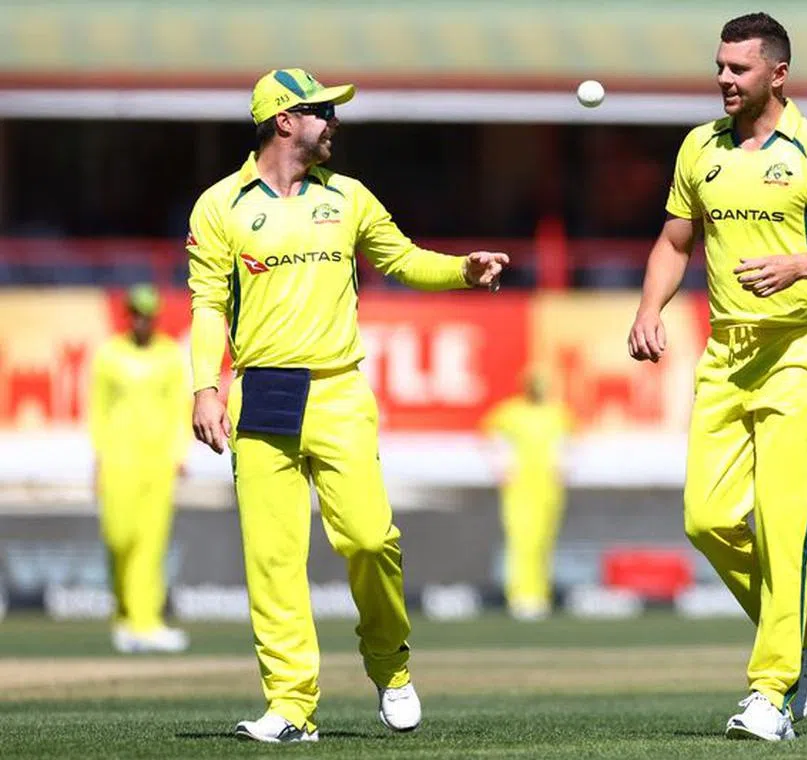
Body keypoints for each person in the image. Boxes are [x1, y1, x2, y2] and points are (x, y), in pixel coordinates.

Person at [186, 68, 508, 744]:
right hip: (264, 390)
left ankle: (390, 667)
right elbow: (208, 304)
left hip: (337, 390)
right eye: (322, 111)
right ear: (283, 121)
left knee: (368, 539)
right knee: (273, 561)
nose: (335, 122)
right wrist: (206, 387)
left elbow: (403, 260)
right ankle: (291, 707)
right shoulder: (220, 205)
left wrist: (461, 271)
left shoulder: (350, 197)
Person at [627, 13, 807, 742]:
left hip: (800, 354)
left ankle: (770, 693)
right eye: (719, 66)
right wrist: (650, 306)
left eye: (738, 69)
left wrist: (802, 264)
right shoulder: (699, 148)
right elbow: (674, 241)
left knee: (783, 525)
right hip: (727, 356)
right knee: (706, 520)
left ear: (777, 74)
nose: (723, 79)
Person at [89, 284, 190, 654]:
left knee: (151, 543)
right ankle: (123, 615)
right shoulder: (109, 355)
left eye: (147, 313)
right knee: (119, 538)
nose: (141, 320)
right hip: (118, 460)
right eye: (135, 312)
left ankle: (146, 622)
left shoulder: (169, 355)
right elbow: (98, 409)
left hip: (158, 462)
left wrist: (179, 454)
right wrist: (98, 456)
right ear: (128, 314)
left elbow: (180, 406)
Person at [481, 372, 574, 621]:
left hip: (548, 487)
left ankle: (540, 594)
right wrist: (501, 465)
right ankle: (520, 596)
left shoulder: (557, 413)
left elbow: (564, 443)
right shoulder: (510, 412)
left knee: (544, 541)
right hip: (519, 487)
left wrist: (563, 467)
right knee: (522, 541)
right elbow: (493, 437)